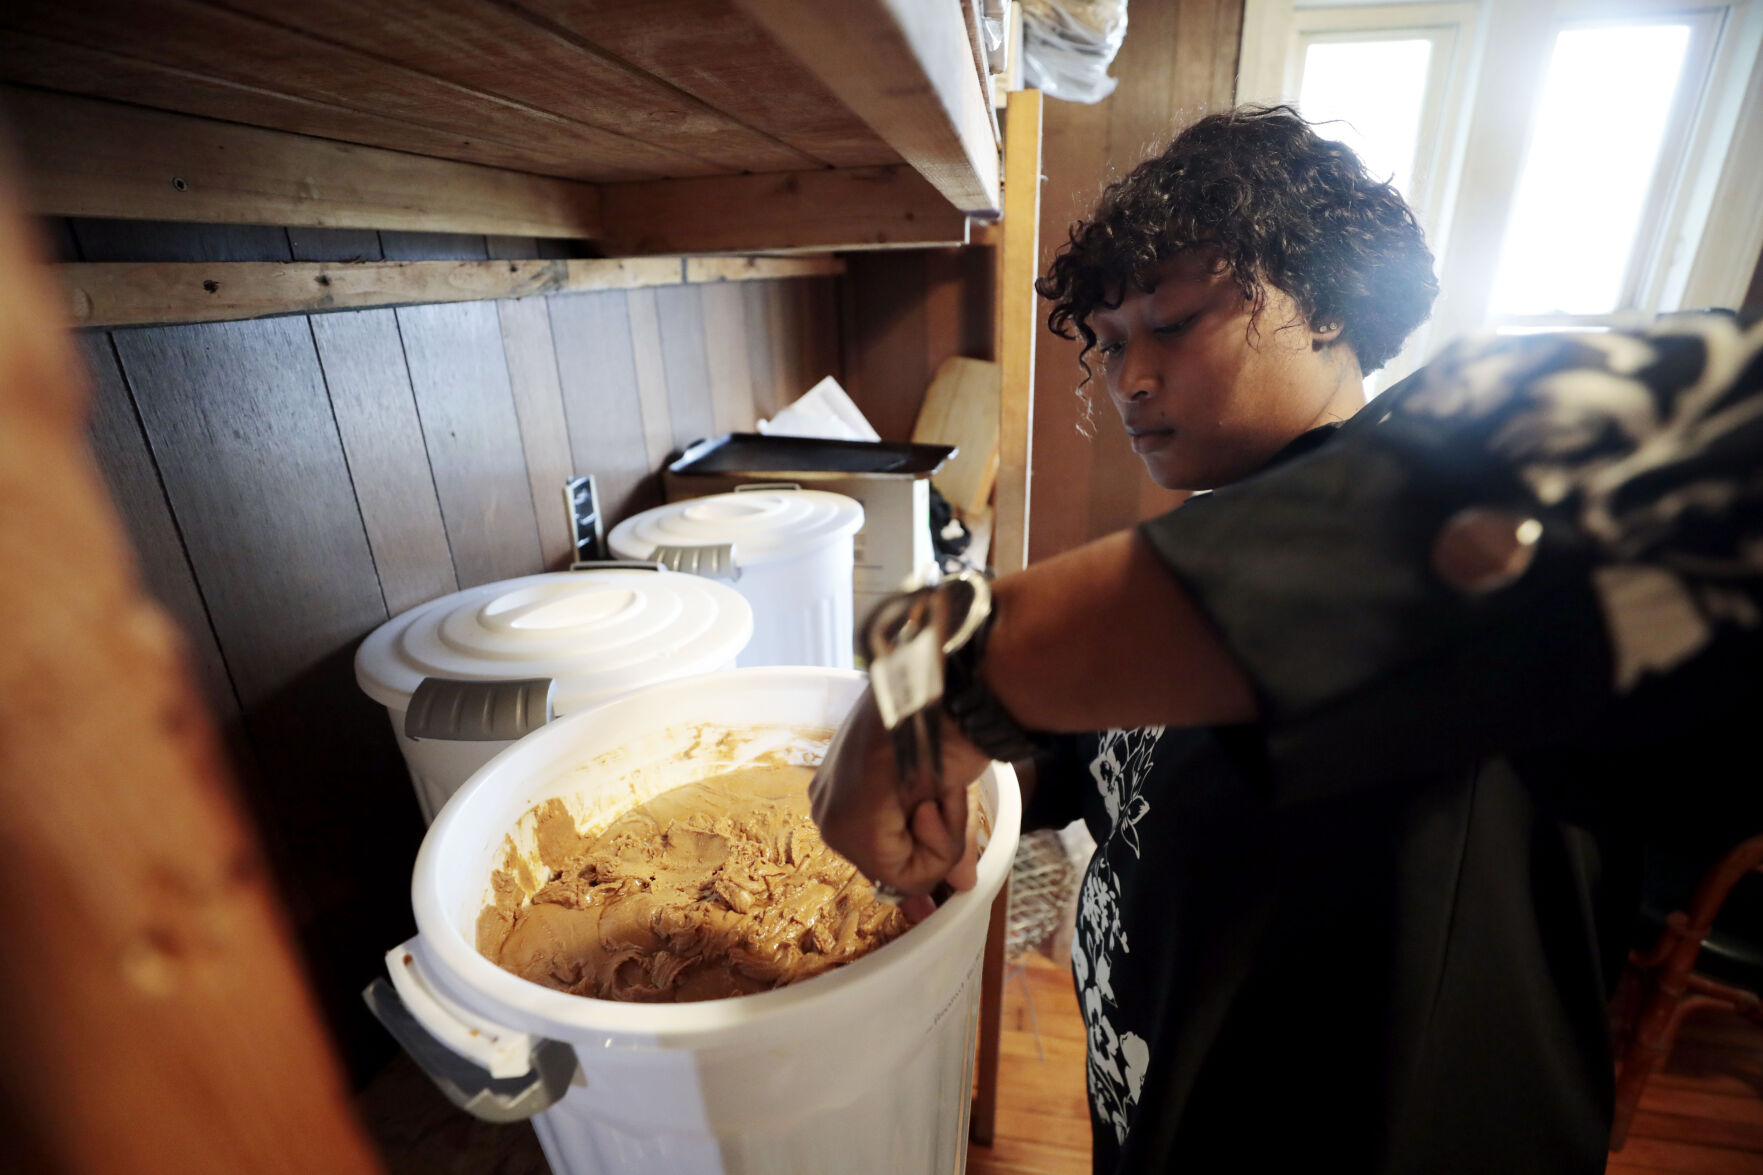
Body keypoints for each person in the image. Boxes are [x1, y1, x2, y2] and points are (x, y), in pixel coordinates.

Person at [810, 106, 1763, 1175]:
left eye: (1170, 324)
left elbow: (1724, 419)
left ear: (1323, 303)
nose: (1127, 380)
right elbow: (1103, 761)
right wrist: (969, 799)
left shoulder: (1477, 542)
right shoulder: (1196, 559)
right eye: (1111, 344)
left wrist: (953, 669)